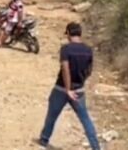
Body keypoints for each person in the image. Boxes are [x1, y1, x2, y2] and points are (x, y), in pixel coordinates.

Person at [37, 22, 101, 150]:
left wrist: (68, 89)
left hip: (62, 89)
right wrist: (80, 82)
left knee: (52, 115)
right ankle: (96, 147)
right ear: (80, 33)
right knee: (85, 119)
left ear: (68, 33)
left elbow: (65, 68)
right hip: (79, 90)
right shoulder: (88, 50)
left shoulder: (66, 49)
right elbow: (89, 70)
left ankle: (44, 140)